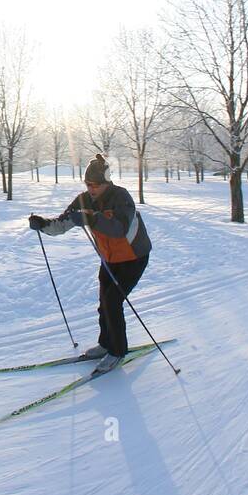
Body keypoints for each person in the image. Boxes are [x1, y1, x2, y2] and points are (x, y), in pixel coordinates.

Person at [26, 154, 151, 374]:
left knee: (113, 301)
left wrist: (92, 219)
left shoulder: (121, 197)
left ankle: (117, 351)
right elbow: (62, 223)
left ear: (106, 182)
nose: (91, 189)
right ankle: (106, 344)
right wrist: (43, 224)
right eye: (88, 184)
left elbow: (119, 228)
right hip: (110, 258)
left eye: (95, 185)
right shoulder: (83, 200)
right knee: (104, 301)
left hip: (134, 257)